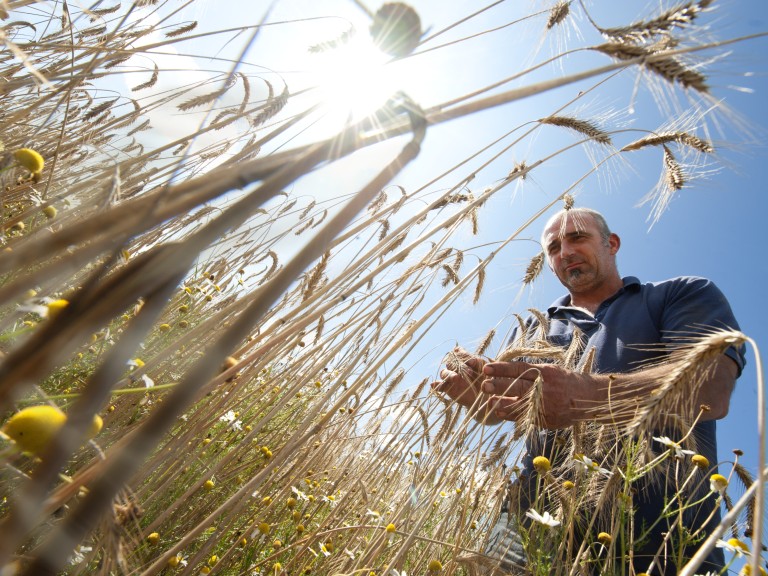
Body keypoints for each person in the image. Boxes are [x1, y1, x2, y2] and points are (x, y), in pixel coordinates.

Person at [433, 207, 745, 575]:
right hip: (530, 520)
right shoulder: (532, 330)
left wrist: (588, 396)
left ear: (611, 244)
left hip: (659, 528)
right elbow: (500, 410)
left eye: (577, 238)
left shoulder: (679, 295)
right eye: (553, 248)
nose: (564, 252)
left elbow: (710, 387)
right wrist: (477, 394)